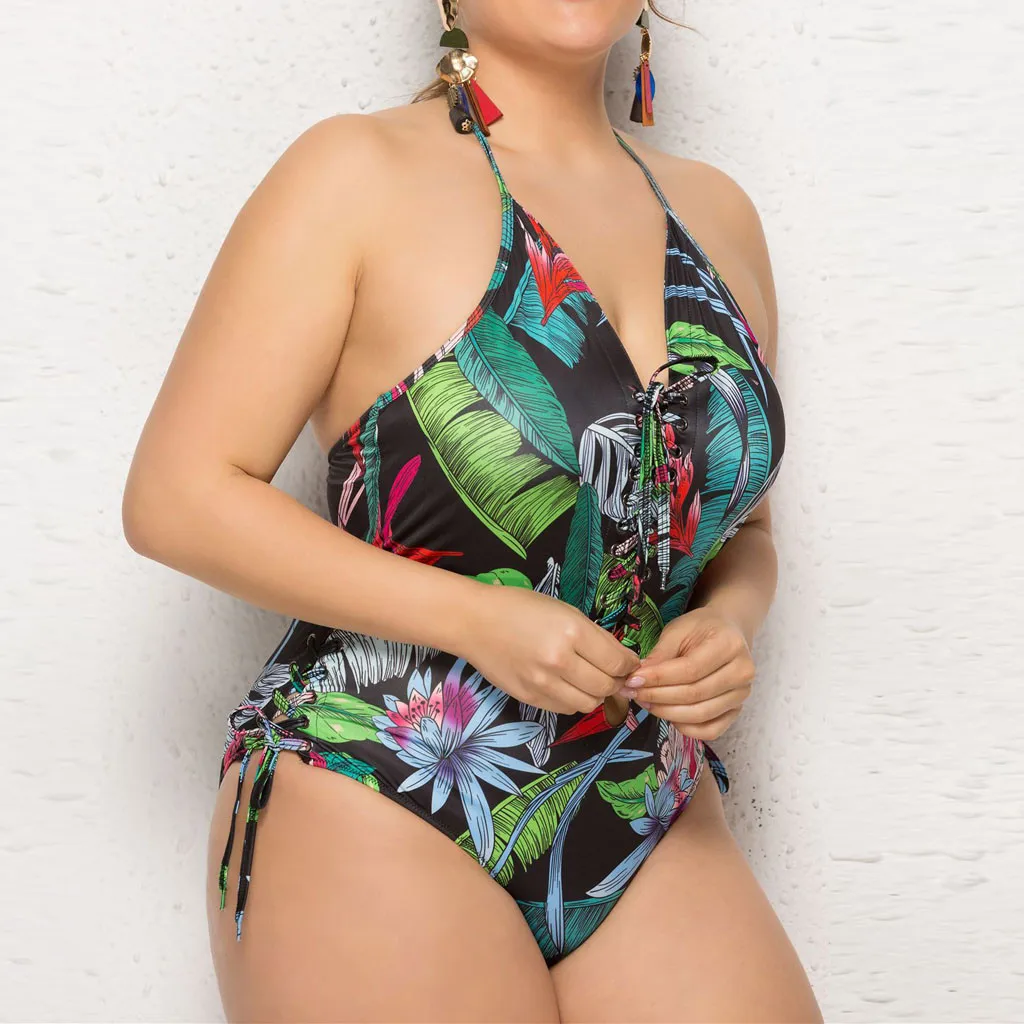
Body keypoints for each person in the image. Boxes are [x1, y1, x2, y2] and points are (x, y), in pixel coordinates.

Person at [122, 0, 822, 1020]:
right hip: (377, 771)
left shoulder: (720, 212)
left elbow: (744, 528)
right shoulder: (355, 173)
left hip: (642, 785)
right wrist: (478, 618)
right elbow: (178, 495)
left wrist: (731, 622)